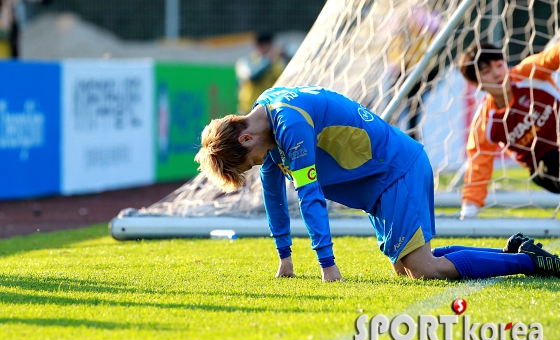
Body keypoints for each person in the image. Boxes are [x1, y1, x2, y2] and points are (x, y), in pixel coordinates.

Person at [195, 85, 560, 281]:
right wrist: (285, 260)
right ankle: (517, 251)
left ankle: (529, 263)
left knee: (423, 269)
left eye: (252, 161)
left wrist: (328, 266)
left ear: (245, 139)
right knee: (406, 268)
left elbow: (310, 196)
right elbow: (274, 195)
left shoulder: (290, 124)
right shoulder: (268, 122)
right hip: (382, 182)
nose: (260, 164)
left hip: (396, 170)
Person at [458, 41, 560, 219]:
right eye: (487, 72)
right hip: (545, 166)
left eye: (499, 65)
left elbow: (551, 57)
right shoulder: (486, 122)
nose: (497, 74)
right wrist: (468, 212)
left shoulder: (528, 74)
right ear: (477, 83)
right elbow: (478, 166)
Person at [235, 32, 286, 115]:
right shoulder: (246, 61)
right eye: (265, 45)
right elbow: (252, 76)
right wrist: (268, 60)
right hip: (249, 110)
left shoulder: (276, 63)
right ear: (258, 46)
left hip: (271, 110)